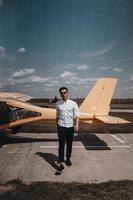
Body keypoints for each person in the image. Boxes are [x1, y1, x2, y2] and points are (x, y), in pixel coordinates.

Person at [55, 87, 80, 173]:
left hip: (70, 127)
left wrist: (76, 124)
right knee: (61, 145)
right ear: (60, 94)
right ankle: (61, 161)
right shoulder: (58, 104)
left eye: (65, 92)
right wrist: (57, 126)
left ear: (68, 93)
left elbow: (77, 115)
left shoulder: (73, 104)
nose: (63, 94)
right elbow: (57, 116)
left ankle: (68, 159)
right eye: (61, 93)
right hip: (61, 127)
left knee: (69, 145)